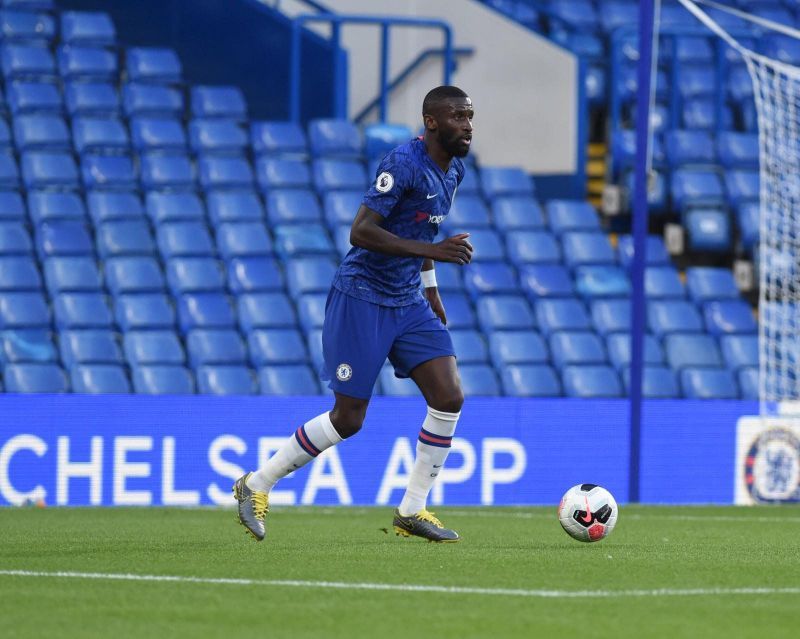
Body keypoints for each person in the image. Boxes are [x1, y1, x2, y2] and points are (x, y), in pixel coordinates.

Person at [233, 85, 475, 543]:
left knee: (448, 397)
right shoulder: (403, 164)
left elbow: (423, 228)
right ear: (431, 121)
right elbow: (361, 232)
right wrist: (433, 253)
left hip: (407, 300)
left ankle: (412, 510)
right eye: (458, 117)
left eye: (470, 116)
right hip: (362, 296)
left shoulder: (454, 171)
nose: (467, 126)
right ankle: (256, 484)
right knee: (349, 418)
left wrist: (431, 287)